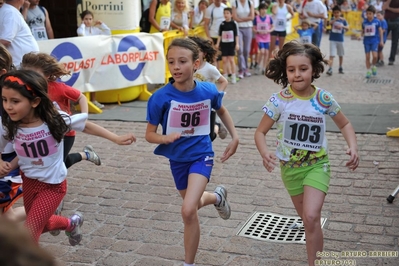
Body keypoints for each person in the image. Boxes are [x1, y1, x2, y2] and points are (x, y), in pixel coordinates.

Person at [0, 69, 136, 245]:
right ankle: (71, 223)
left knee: (30, 232)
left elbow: (85, 126)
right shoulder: (8, 124)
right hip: (29, 182)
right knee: (44, 223)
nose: (8, 106)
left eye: (15, 101)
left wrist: (115, 138)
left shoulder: (54, 120)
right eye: (4, 100)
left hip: (53, 185)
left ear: (35, 102)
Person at [255, 41, 359, 266]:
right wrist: (265, 153)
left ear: (314, 70)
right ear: (286, 71)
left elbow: (345, 124)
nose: (297, 74)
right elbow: (260, 132)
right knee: (307, 221)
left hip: (317, 165)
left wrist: (353, 145)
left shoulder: (323, 99)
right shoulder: (280, 100)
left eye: (303, 69)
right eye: (291, 70)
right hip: (290, 170)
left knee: (311, 216)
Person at [145, 38, 239, 266]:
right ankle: (217, 197)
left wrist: (235, 136)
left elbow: (222, 109)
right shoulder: (160, 97)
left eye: (182, 61)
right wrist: (164, 138)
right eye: (171, 62)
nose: (176, 67)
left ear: (196, 64)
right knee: (192, 204)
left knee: (188, 211)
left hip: (201, 155)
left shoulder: (207, 90)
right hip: (177, 159)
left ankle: (189, 263)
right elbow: (149, 134)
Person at [20, 52, 103, 235]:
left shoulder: (58, 88)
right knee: (51, 163)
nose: (29, 80)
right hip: (44, 136)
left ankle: (54, 199)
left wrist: (83, 116)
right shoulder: (24, 93)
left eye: (34, 75)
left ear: (47, 75)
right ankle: (85, 155)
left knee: (60, 164)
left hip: (65, 132)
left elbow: (80, 96)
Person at [0, 43, 25, 223]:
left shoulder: (12, 100)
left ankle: (46, 207)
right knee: (7, 218)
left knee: (6, 219)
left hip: (8, 167)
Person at [190, 36, 229, 141]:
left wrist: (217, 94)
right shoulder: (189, 66)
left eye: (198, 51)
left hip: (207, 102)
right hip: (192, 102)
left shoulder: (210, 69)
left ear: (204, 54)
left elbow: (224, 81)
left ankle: (217, 126)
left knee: (210, 135)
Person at [77, 10, 111, 109]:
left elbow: (108, 33)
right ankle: (82, 100)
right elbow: (81, 34)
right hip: (85, 58)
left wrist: (102, 24)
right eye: (86, 19)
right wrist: (82, 25)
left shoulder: (95, 30)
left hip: (94, 58)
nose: (88, 21)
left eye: (90, 19)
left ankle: (93, 99)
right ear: (82, 20)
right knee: (85, 78)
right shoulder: (81, 29)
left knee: (93, 78)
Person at [0, 0, 39, 67]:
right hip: (20, 66)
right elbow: (5, 41)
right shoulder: (10, 12)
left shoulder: (9, 10)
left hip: (23, 65)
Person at [216, 8, 239, 85]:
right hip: (224, 45)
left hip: (231, 45)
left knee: (231, 60)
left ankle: (233, 75)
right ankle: (225, 76)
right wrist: (218, 43)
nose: (226, 15)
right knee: (224, 60)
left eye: (227, 13)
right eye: (224, 13)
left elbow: (236, 35)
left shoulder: (234, 24)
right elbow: (219, 35)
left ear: (231, 15)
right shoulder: (222, 24)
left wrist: (237, 44)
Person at [232, 0, 255, 79]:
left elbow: (252, 17)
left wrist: (240, 19)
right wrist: (245, 19)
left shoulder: (250, 3)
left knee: (246, 50)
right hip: (238, 27)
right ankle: (241, 69)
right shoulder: (235, 3)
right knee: (240, 49)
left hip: (248, 27)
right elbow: (234, 17)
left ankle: (246, 69)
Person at [361, 5, 383, 78]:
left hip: (374, 41)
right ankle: (368, 71)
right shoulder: (364, 22)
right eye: (367, 13)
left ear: (374, 14)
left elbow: (380, 31)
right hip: (366, 41)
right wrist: (360, 36)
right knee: (367, 57)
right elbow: (363, 31)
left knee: (375, 56)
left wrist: (381, 41)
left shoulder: (377, 22)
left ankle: (373, 66)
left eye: (370, 14)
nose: (368, 15)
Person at [204, 0, 228, 67]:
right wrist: (208, 37)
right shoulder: (209, 9)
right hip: (213, 35)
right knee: (214, 56)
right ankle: (216, 74)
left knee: (224, 56)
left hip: (224, 36)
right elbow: (206, 24)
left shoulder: (225, 7)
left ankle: (226, 73)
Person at [326, 5, 348, 75]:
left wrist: (342, 26)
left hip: (340, 39)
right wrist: (335, 19)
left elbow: (347, 28)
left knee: (340, 54)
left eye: (338, 12)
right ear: (333, 13)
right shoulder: (332, 19)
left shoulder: (343, 20)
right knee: (332, 54)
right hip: (332, 39)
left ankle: (340, 67)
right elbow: (329, 23)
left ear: (340, 12)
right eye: (335, 13)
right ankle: (330, 68)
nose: (336, 14)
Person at [253, 2, 274, 75]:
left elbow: (273, 26)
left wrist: (269, 30)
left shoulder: (269, 17)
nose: (264, 10)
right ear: (259, 10)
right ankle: (258, 65)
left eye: (265, 9)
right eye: (262, 9)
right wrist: (257, 31)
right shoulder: (256, 18)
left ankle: (264, 67)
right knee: (262, 51)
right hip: (259, 37)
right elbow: (253, 28)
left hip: (267, 37)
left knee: (266, 52)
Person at [382, 0, 399, 65]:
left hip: (396, 20)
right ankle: (379, 57)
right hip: (386, 20)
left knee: (395, 42)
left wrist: (389, 8)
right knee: (382, 39)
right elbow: (383, 7)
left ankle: (391, 59)